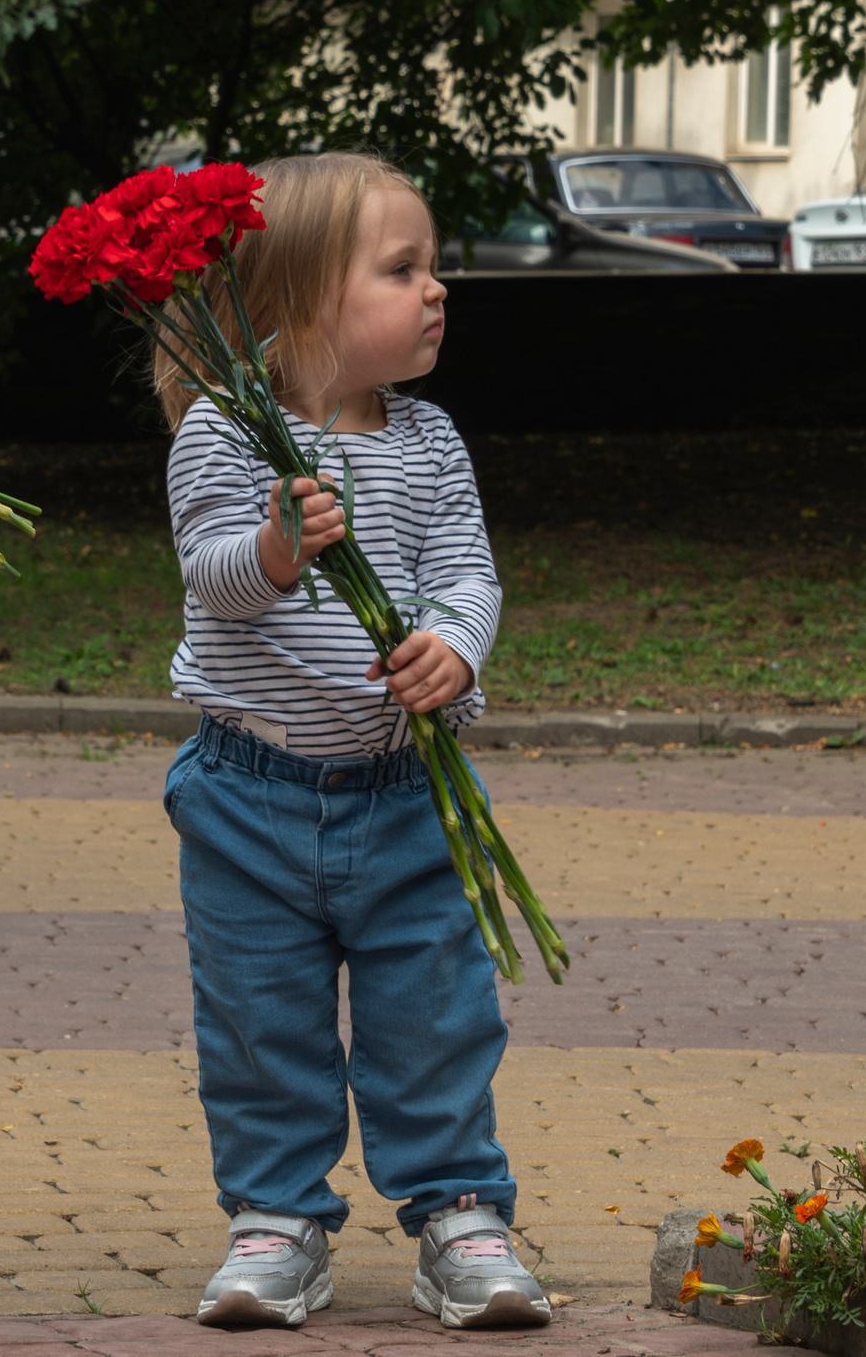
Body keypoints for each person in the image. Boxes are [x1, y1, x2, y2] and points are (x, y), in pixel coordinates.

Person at [156, 152, 552, 1332]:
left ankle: (459, 1211)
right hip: (247, 792)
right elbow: (214, 579)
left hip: (404, 788)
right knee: (258, 1018)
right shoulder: (224, 434)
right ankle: (274, 1219)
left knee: (435, 1009)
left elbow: (465, 573)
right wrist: (278, 547)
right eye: (402, 268)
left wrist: (453, 648)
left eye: (432, 267)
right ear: (296, 302)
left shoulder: (429, 442)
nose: (436, 288)